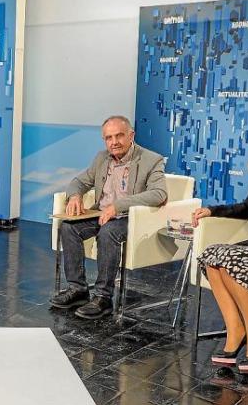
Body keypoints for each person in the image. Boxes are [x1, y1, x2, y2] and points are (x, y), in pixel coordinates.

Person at [50, 116, 168, 319]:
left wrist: (118, 206)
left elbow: (159, 194)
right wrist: (75, 196)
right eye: (108, 138)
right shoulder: (102, 158)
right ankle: (78, 289)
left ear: (131, 135)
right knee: (69, 227)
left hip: (129, 217)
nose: (114, 142)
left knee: (108, 232)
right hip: (101, 213)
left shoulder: (151, 160)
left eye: (119, 136)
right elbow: (79, 181)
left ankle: (103, 297)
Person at [194, 135, 248, 374]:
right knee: (212, 256)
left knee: (231, 261)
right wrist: (212, 210)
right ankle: (236, 330)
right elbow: (246, 209)